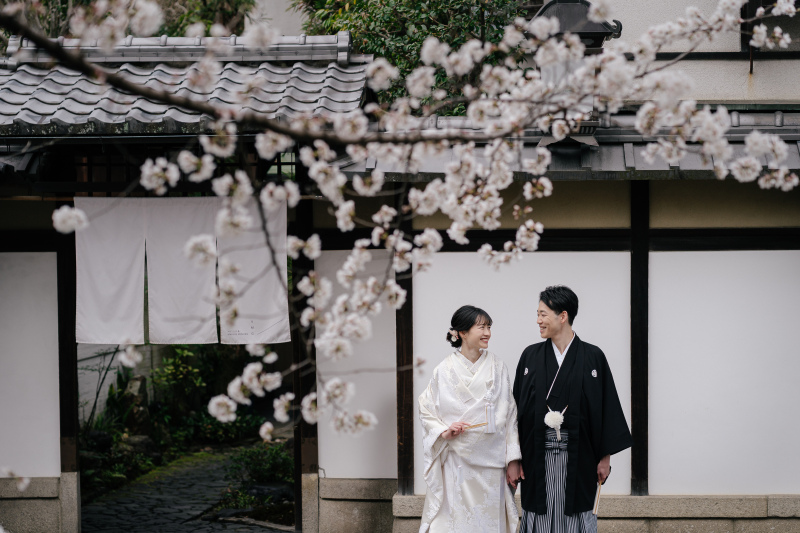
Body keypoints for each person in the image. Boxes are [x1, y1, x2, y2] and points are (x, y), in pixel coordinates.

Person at [512, 285, 632, 533]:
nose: (538, 320)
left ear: (562, 316)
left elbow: (605, 407)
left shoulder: (593, 356)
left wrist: (605, 456)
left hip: (581, 455)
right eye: (538, 314)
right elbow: (516, 412)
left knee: (576, 511)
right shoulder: (530, 356)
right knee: (540, 514)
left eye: (543, 314)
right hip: (537, 454)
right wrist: (514, 457)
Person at [418, 305, 522, 533]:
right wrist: (444, 431)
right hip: (457, 462)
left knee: (488, 522)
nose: (487, 333)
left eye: (489, 327)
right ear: (462, 333)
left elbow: (510, 413)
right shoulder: (443, 370)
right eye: (481, 327)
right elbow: (426, 408)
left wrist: (513, 458)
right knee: (455, 522)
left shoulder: (498, 367)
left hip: (492, 462)